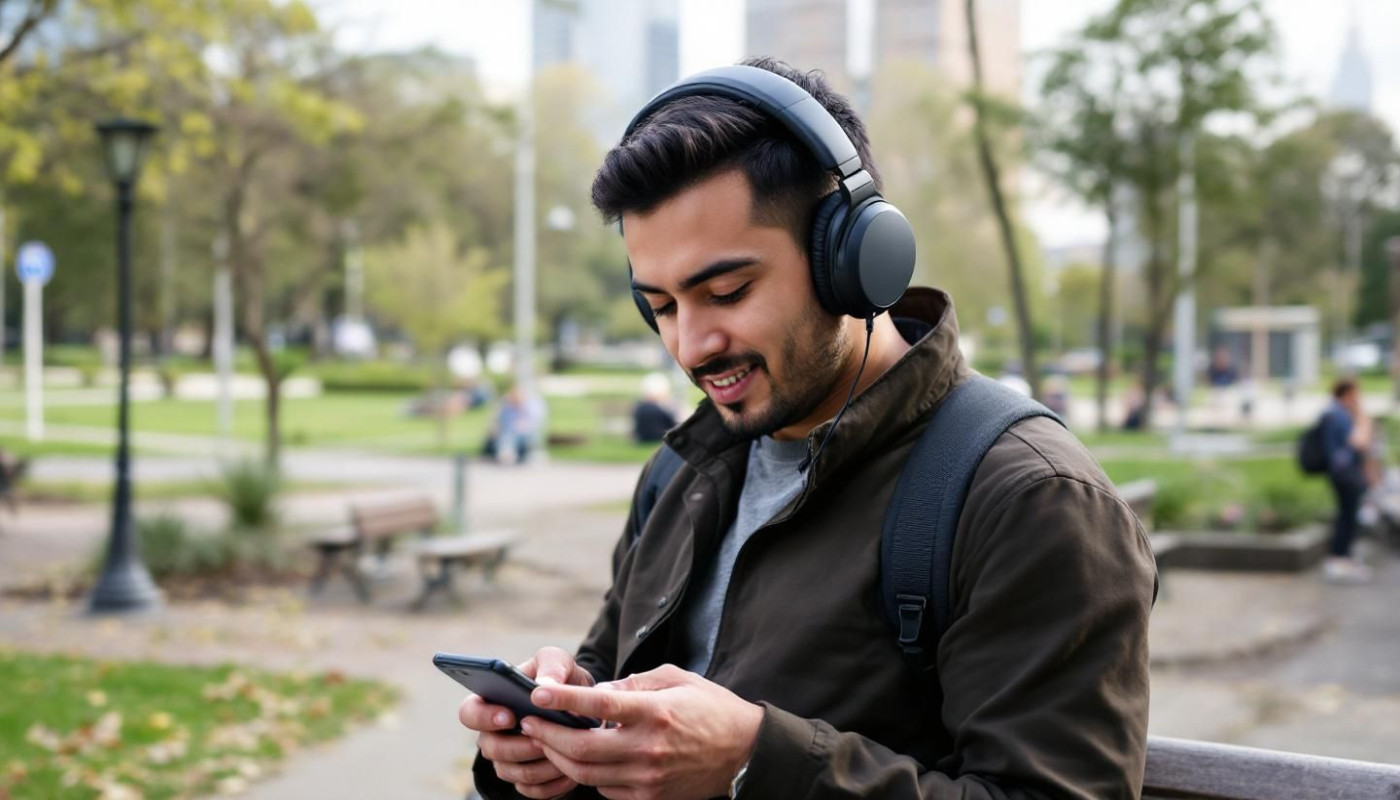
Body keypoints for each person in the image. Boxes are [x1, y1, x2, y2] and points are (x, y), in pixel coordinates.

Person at [459, 58, 1156, 799]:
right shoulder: (682, 471)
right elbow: (612, 681)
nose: (691, 347)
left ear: (852, 260)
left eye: (726, 291)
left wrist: (756, 762)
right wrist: (551, 738)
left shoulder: (1031, 500)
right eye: (661, 307)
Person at [1320, 377, 1374, 584]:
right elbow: (1359, 442)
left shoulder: (1333, 412)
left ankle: (1342, 559)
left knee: (1347, 515)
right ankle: (1339, 559)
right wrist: (1363, 418)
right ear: (1347, 394)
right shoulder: (1339, 415)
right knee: (1347, 516)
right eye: (1356, 394)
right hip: (1345, 475)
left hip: (1341, 474)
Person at [483, 385, 543, 465]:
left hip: (526, 434)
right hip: (509, 433)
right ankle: (506, 455)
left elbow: (531, 424)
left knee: (510, 435)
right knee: (506, 436)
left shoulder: (532, 406)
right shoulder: (507, 407)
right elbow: (499, 421)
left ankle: (508, 454)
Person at [632, 372, 679, 443]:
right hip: (659, 438)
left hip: (642, 439)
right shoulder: (664, 409)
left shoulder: (639, 408)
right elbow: (674, 425)